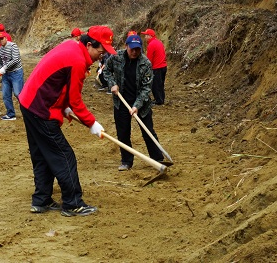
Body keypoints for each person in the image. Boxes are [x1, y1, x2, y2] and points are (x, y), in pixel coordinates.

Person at [18, 25, 116, 217]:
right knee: (64, 155)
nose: (101, 56)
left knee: (42, 154)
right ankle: (73, 203)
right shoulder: (78, 61)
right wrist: (92, 123)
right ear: (89, 45)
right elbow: (76, 100)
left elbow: (58, 82)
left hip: (29, 102)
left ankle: (41, 200)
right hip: (40, 109)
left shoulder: (72, 48)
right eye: (100, 51)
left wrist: (64, 107)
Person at [103, 34, 166, 171]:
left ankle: (158, 159)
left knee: (148, 131)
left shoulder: (146, 63)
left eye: (137, 49)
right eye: (132, 49)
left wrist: (136, 106)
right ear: (126, 46)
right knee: (123, 133)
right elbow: (106, 71)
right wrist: (112, 84)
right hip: (121, 102)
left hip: (142, 104)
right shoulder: (116, 57)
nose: (135, 52)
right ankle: (126, 161)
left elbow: (146, 88)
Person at [0, 32, 24, 120]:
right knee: (5, 94)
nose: (1, 41)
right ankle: (11, 114)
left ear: (6, 38)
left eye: (2, 38)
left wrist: (4, 67)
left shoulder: (13, 46)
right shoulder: (0, 50)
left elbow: (16, 59)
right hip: (6, 75)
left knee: (18, 93)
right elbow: (0, 62)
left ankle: (28, 111)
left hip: (16, 73)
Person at [140, 28, 167, 105]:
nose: (145, 37)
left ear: (150, 36)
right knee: (161, 84)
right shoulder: (159, 42)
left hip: (157, 68)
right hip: (163, 66)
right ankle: (161, 99)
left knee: (155, 85)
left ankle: (159, 101)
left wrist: (146, 69)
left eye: (146, 35)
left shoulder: (151, 45)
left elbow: (149, 59)